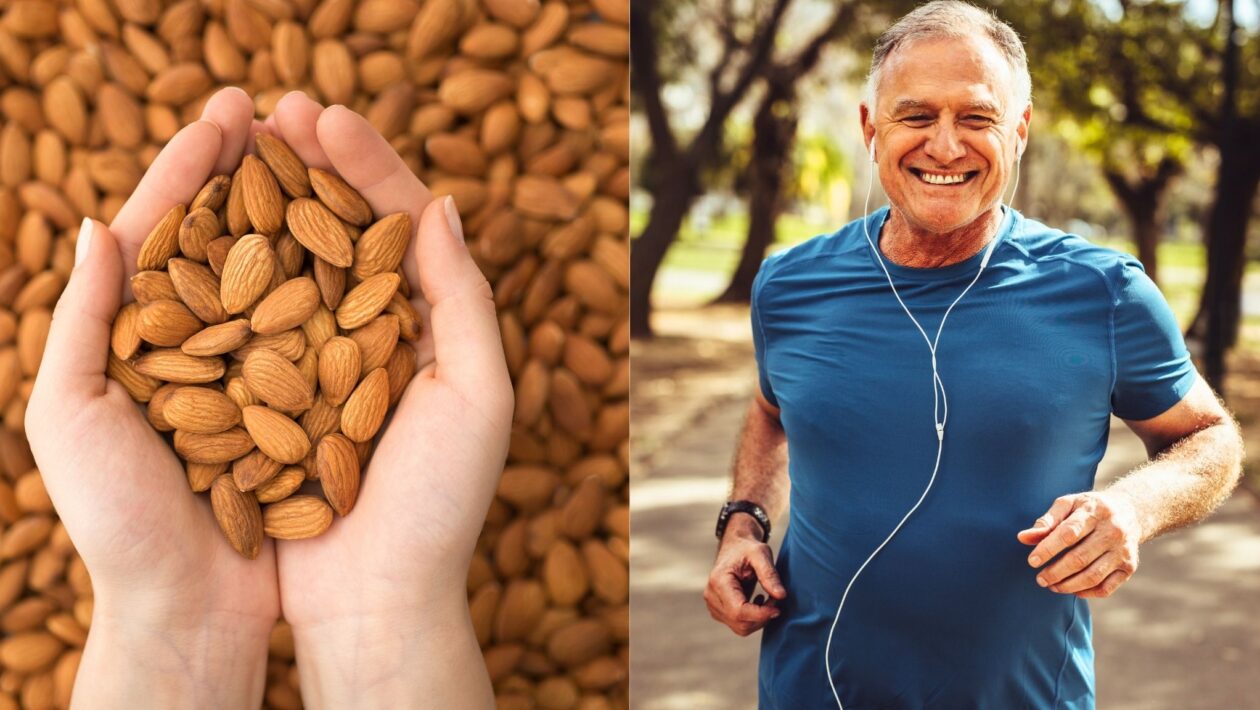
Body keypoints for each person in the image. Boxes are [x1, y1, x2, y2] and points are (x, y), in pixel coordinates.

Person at [702, 2, 1244, 708]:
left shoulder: (1105, 291)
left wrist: (1134, 508)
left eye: (977, 118)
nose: (947, 146)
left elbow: (1211, 439)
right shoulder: (789, 285)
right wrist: (743, 522)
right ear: (872, 128)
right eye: (917, 116)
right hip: (810, 688)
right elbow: (773, 409)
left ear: (1018, 131)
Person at [24, 87, 513, 708]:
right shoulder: (246, 357)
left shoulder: (317, 341)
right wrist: (392, 616)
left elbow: (295, 329)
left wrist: (161, 630)